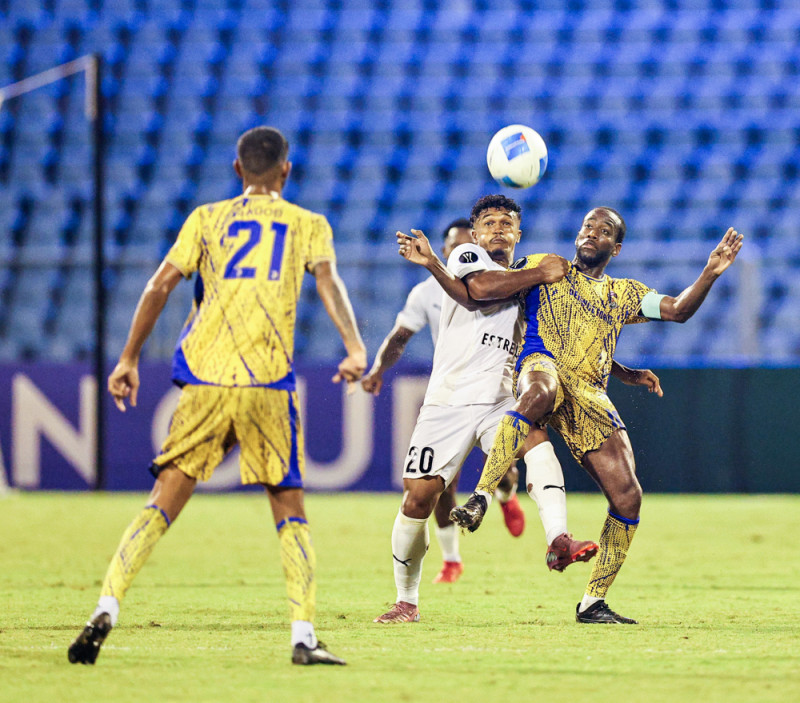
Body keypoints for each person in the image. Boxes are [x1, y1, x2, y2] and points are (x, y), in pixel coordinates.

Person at [68, 126, 366, 666]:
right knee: (289, 510)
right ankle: (302, 635)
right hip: (267, 386)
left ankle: (105, 606)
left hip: (205, 382)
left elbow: (159, 285)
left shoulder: (206, 220)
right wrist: (353, 346)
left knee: (162, 502)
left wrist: (129, 357)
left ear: (237, 170)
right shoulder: (307, 224)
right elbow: (328, 281)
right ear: (286, 170)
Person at [448, 206, 743, 624]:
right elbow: (484, 290)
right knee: (538, 391)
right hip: (541, 364)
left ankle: (592, 602)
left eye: (603, 231)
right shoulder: (543, 267)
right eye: (587, 226)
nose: (592, 233)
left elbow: (677, 309)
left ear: (616, 247)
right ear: (577, 236)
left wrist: (711, 272)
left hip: (589, 390)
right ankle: (480, 496)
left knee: (629, 495)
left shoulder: (624, 293)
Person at [374, 195, 611, 625]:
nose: (498, 228)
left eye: (507, 223)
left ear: (519, 234)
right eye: (489, 222)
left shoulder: (529, 279)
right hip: (448, 401)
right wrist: (541, 272)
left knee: (537, 444)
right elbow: (479, 294)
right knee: (418, 500)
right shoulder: (468, 256)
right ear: (476, 233)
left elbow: (569, 333)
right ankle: (406, 600)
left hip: (501, 397)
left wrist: (623, 370)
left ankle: (559, 538)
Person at [362, 218, 526, 586]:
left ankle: (506, 494)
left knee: (502, 463)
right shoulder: (426, 293)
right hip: (451, 391)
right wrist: (377, 369)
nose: (460, 252)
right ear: (443, 249)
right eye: (452, 246)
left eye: (467, 244)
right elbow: (400, 336)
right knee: (437, 486)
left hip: (493, 388)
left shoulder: (500, 284)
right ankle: (451, 558)